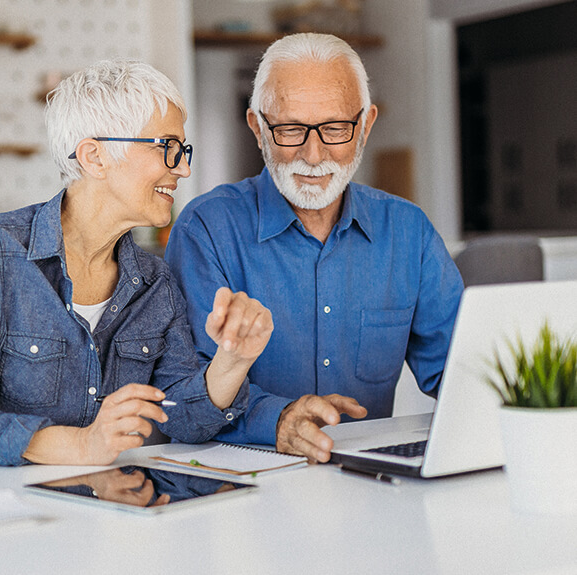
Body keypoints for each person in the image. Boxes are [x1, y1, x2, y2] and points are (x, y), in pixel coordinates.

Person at [0, 58, 273, 470]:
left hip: (83, 510)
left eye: (183, 150)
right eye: (168, 148)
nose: (185, 168)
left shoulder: (156, 282)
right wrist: (82, 446)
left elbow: (182, 418)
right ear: (95, 157)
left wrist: (233, 361)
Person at [165, 33, 464, 463]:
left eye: (336, 128)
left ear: (365, 126)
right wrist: (278, 418)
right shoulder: (206, 229)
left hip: (367, 480)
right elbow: (183, 402)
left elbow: (463, 373)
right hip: (246, 480)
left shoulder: (408, 232)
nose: (312, 153)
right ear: (257, 127)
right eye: (289, 129)